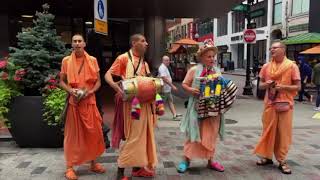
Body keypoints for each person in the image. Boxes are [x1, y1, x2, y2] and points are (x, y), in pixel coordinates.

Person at [177, 39, 237, 173]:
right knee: (193, 134)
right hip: (196, 107)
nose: (212, 59)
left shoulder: (217, 70)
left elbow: (221, 86)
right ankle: (186, 160)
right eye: (209, 56)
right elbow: (184, 84)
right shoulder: (194, 70)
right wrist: (191, 90)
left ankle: (211, 160)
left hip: (213, 109)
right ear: (202, 57)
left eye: (213, 56)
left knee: (211, 135)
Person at [105, 34, 157, 180]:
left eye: (146, 41)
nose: (146, 43)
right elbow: (108, 75)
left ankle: (137, 169)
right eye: (143, 41)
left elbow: (148, 82)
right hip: (131, 104)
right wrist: (116, 88)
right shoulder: (123, 58)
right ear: (134, 43)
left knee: (143, 136)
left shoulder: (144, 63)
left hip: (145, 104)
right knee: (134, 136)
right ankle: (120, 171)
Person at [59, 34, 106, 180]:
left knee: (94, 132)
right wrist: (70, 90)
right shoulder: (66, 61)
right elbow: (62, 82)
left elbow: (98, 82)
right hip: (74, 103)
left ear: (84, 44)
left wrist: (90, 91)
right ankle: (70, 167)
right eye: (75, 41)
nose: (77, 43)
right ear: (71, 44)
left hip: (89, 101)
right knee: (72, 136)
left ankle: (93, 163)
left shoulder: (92, 60)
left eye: (80, 41)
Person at [253, 41, 301, 174]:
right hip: (270, 105)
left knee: (283, 133)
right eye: (271, 48)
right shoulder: (266, 66)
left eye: (274, 48)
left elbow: (298, 87)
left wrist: (284, 87)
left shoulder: (292, 66)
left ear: (283, 50)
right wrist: (267, 84)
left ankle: (282, 160)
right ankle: (267, 157)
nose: (271, 50)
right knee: (267, 132)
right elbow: (260, 85)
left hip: (285, 105)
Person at [158, 55, 182, 120]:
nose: (168, 61)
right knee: (160, 103)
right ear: (163, 61)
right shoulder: (162, 68)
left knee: (170, 101)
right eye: (166, 60)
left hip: (167, 89)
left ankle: (174, 115)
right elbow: (164, 78)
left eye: (168, 60)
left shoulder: (165, 67)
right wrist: (172, 86)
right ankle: (154, 115)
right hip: (164, 89)